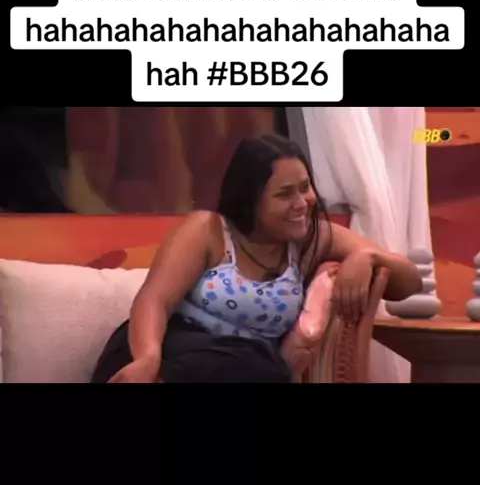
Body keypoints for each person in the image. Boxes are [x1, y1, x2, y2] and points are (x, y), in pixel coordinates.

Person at [91, 133, 422, 384]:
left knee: (261, 365)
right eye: (284, 194)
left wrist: (366, 257)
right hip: (167, 349)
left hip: (240, 370)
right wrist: (148, 358)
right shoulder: (208, 230)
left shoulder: (313, 239)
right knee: (261, 366)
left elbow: (409, 283)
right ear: (250, 199)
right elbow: (154, 299)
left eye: (305, 187)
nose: (302, 203)